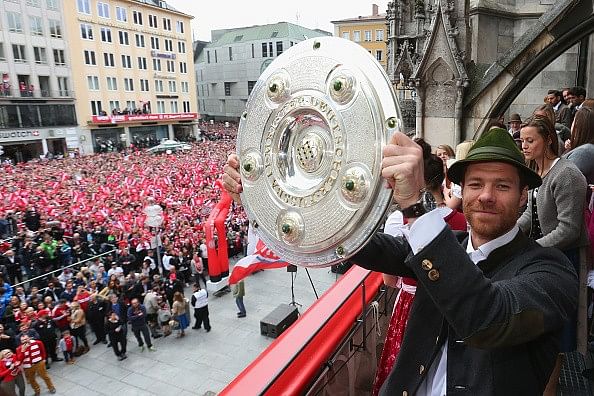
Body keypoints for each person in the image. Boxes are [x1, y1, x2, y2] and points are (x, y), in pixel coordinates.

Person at [222, 127, 578, 395]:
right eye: (475, 184)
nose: (485, 196)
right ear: (461, 192)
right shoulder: (445, 245)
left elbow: (487, 318)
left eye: (502, 186)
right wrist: (264, 201)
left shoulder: (550, 269)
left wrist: (415, 205)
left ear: (522, 197)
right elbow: (357, 244)